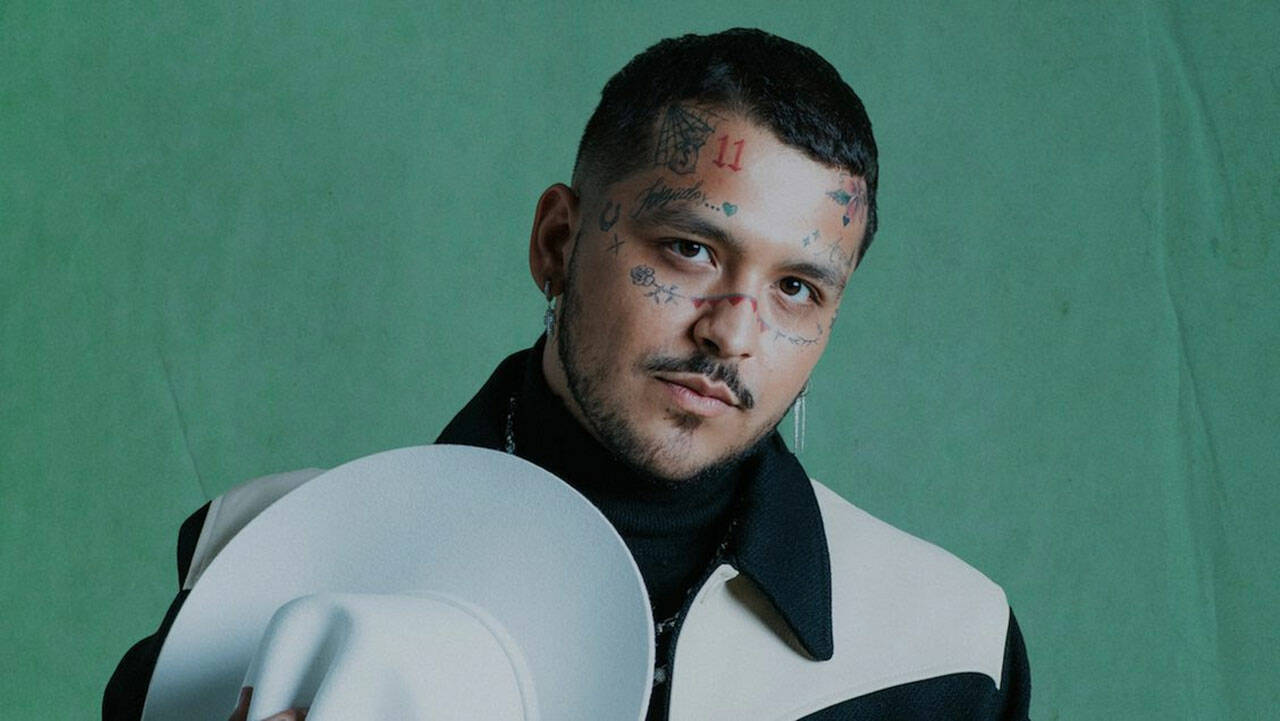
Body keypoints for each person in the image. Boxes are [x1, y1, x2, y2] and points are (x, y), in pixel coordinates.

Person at [105, 28, 1030, 721]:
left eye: (796, 288)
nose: (732, 333)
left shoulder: (946, 648)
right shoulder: (262, 556)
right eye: (691, 248)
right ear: (557, 241)